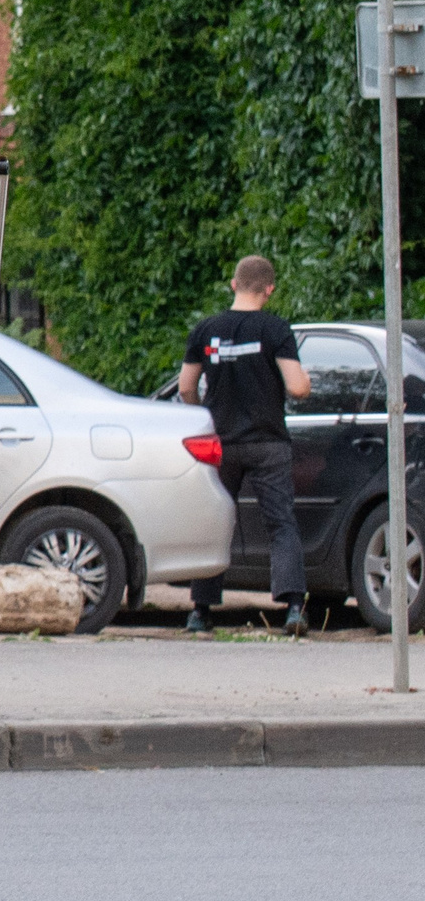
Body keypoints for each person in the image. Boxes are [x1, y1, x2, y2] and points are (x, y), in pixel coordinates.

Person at [180, 254, 312, 636]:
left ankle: (200, 612)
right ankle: (292, 609)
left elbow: (187, 386)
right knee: (281, 523)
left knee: (216, 519)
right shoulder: (275, 330)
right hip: (268, 443)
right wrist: (306, 383)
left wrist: (203, 415)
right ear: (269, 289)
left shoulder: (206, 330)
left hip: (220, 443)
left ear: (234, 284)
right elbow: (298, 387)